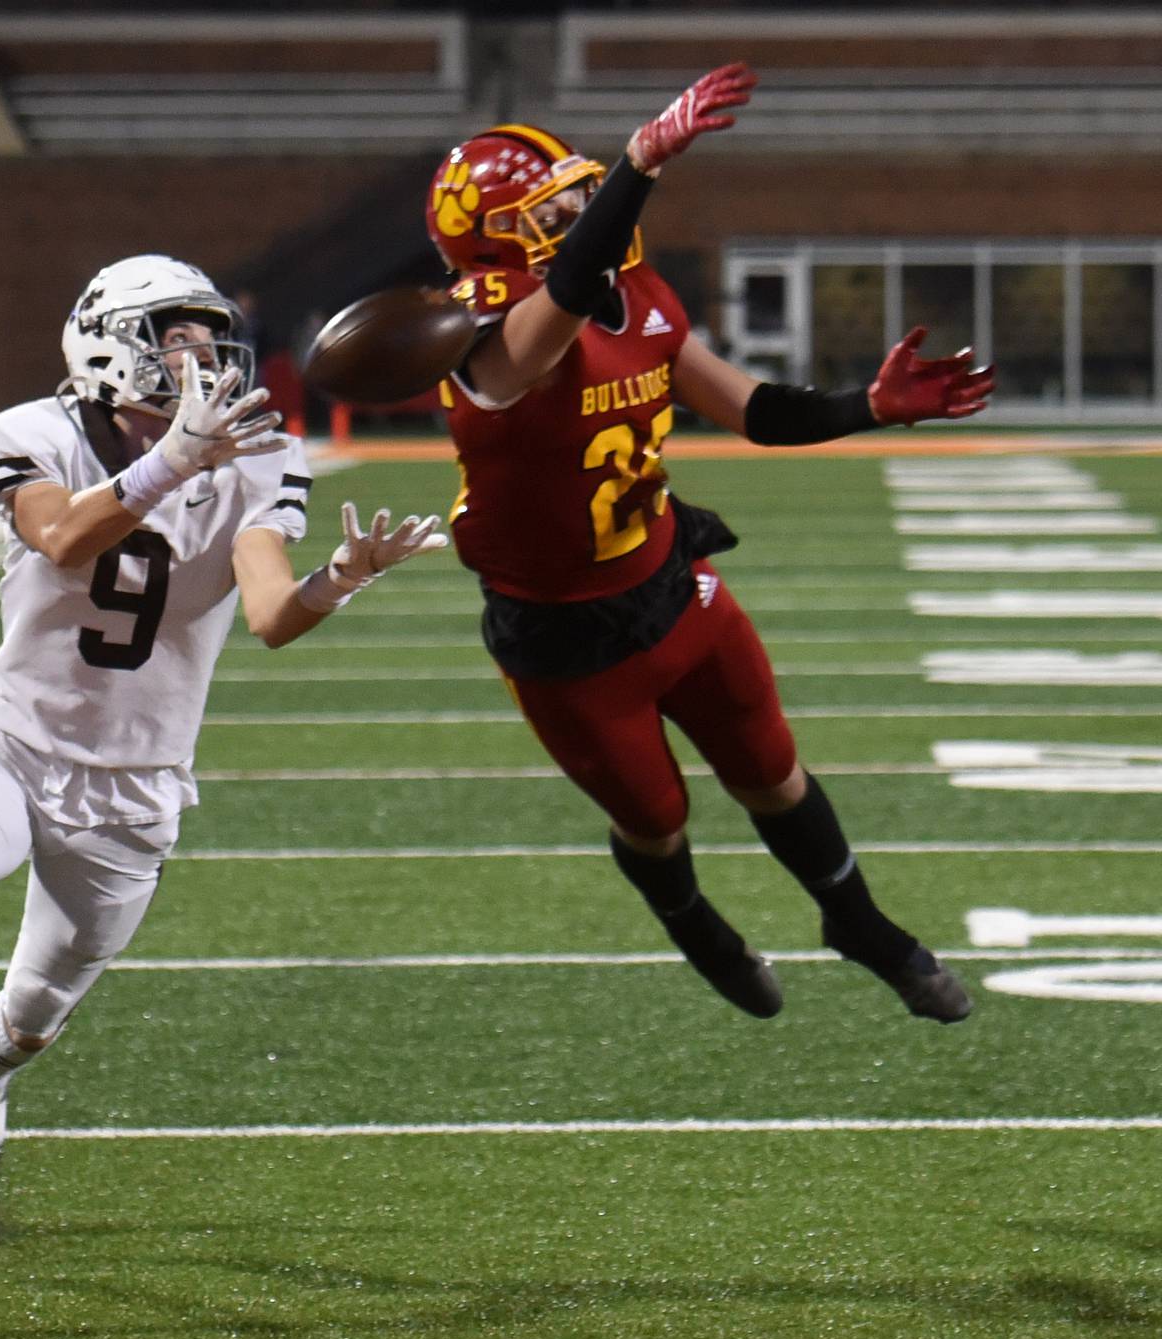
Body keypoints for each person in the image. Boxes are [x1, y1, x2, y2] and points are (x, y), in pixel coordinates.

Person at [0, 254, 447, 1267]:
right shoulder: (29, 432)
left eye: (207, 338)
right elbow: (61, 536)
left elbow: (273, 613)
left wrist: (341, 576)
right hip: (10, 742)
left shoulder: (257, 457)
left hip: (136, 784)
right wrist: (169, 464)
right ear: (108, 344)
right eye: (173, 337)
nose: (198, 359)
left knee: (29, 1018)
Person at [424, 66, 994, 1024]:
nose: (576, 216)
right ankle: (696, 924)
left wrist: (868, 405)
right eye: (550, 209)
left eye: (578, 197)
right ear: (496, 248)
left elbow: (752, 410)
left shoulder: (635, 296)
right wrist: (641, 162)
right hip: (567, 641)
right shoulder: (493, 355)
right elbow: (560, 291)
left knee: (773, 769)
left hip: (669, 578)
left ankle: (856, 921)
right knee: (656, 822)